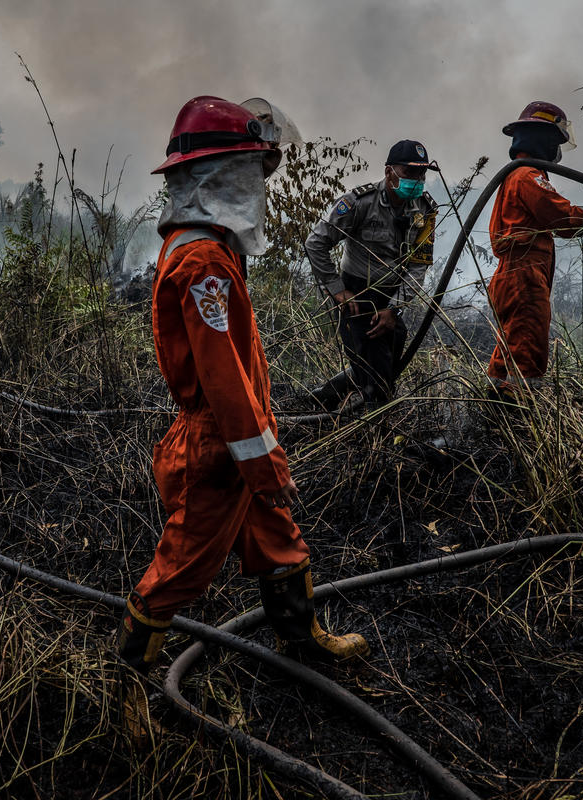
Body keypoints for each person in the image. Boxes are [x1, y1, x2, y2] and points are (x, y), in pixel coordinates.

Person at [117, 96, 369, 730]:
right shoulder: (202, 259)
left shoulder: (206, 246)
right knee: (180, 568)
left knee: (277, 537)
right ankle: (126, 685)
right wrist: (261, 462)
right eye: (257, 170)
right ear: (226, 176)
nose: (264, 183)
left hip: (236, 436)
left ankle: (299, 637)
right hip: (219, 447)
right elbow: (225, 381)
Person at [486, 101, 583, 396]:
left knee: (509, 355)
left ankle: (492, 417)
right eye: (556, 142)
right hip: (524, 278)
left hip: (514, 276)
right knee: (527, 358)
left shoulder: (518, 176)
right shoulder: (527, 177)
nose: (558, 152)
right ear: (545, 141)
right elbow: (567, 219)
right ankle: (518, 421)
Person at [305, 140, 439, 408]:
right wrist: (337, 289)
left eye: (422, 174)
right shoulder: (358, 203)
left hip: (391, 297)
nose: (417, 180)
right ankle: (374, 430)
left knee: (385, 368)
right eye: (410, 173)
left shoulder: (425, 210)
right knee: (377, 380)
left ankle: (323, 398)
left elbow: (418, 266)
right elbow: (315, 242)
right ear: (389, 171)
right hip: (357, 296)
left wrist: (394, 308)